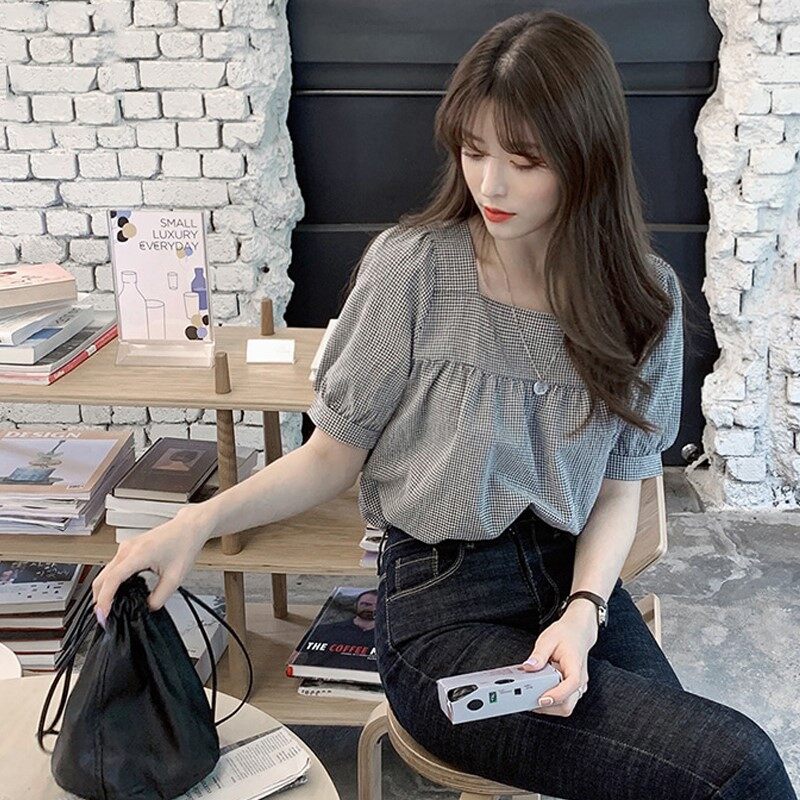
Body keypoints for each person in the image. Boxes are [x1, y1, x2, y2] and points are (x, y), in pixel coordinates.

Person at [92, 10, 797, 799]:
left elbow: (619, 488)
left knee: (701, 773)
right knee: (736, 766)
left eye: (524, 160)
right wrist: (196, 522)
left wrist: (585, 610)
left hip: (570, 584)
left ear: (587, 156)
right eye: (473, 150)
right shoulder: (413, 270)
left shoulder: (643, 299)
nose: (490, 185)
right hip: (440, 609)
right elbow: (330, 457)